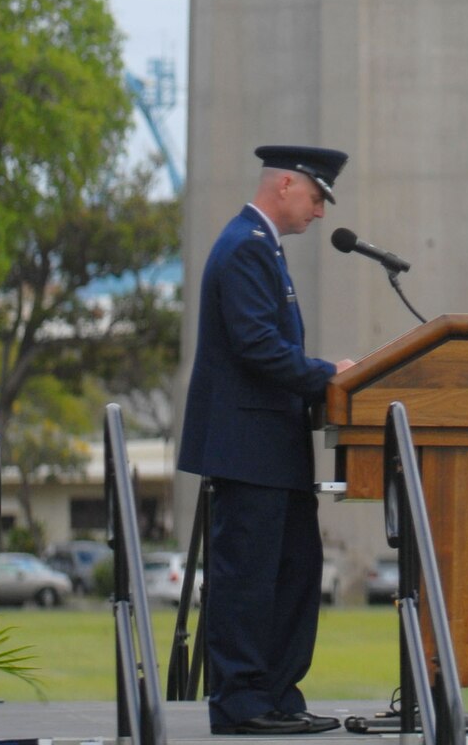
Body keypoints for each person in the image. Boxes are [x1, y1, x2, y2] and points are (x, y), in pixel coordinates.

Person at [178, 144, 354, 737]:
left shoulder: (261, 250)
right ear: (285, 184)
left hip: (271, 450)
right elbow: (256, 345)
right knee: (248, 578)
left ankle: (277, 693)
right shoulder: (244, 248)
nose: (320, 212)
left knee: (294, 572)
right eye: (316, 197)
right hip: (248, 449)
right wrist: (328, 374)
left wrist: (321, 376)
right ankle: (243, 700)